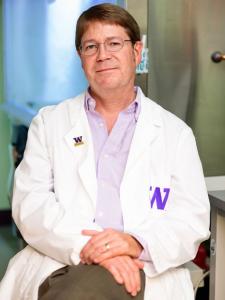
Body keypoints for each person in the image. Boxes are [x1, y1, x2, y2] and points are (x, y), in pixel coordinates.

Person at [0, 3, 210, 300]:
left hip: (139, 265)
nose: (103, 55)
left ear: (136, 52)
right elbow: (30, 203)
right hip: (64, 257)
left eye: (114, 43)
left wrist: (135, 243)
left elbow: (191, 219)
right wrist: (99, 250)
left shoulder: (175, 134)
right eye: (91, 46)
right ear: (80, 57)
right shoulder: (49, 123)